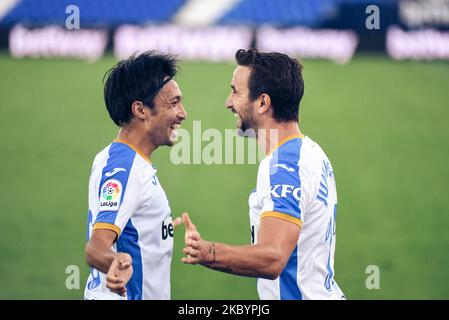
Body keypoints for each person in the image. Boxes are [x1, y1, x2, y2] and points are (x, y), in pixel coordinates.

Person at [181, 48, 345, 300]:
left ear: (262, 102)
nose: (228, 102)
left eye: (235, 91)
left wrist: (207, 252)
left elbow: (273, 258)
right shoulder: (310, 151)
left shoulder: (285, 165)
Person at [84, 51, 187, 300]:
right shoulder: (125, 168)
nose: (183, 113)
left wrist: (154, 230)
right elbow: (96, 248)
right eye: (173, 103)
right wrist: (116, 262)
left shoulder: (123, 161)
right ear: (141, 110)